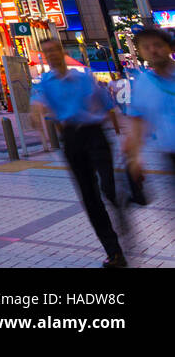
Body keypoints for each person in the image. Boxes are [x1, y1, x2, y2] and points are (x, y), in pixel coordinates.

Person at [32, 37, 126, 267]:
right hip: (73, 139)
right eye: (47, 52)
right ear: (44, 56)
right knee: (90, 197)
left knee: (108, 187)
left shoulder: (84, 78)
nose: (52, 54)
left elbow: (107, 105)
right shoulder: (44, 83)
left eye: (55, 49)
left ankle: (118, 199)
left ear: (62, 52)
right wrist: (37, 119)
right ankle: (114, 252)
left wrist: (118, 133)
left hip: (95, 134)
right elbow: (37, 106)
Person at [123, 27, 175, 209]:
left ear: (170, 48)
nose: (152, 50)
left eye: (157, 45)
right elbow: (137, 120)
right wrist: (135, 157)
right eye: (146, 47)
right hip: (170, 154)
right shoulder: (143, 83)